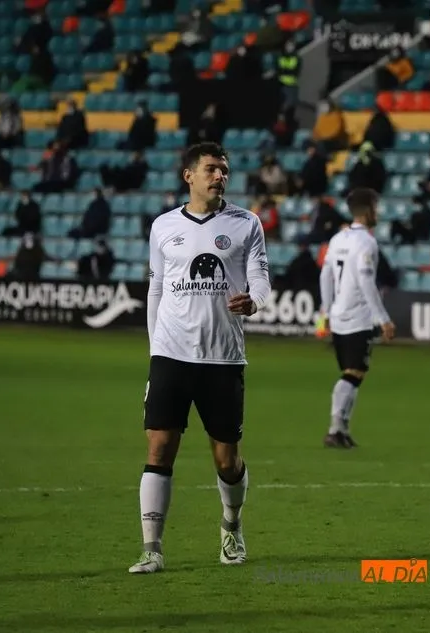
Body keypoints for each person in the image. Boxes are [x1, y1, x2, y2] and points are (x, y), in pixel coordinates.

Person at [129, 142, 271, 574]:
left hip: (223, 358)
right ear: (188, 175)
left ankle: (232, 525)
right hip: (171, 355)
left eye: (224, 170)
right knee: (159, 448)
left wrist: (255, 302)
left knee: (227, 459)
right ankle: (151, 548)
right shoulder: (163, 226)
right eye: (211, 169)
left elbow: (261, 279)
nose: (220, 176)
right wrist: (155, 353)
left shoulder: (246, 223)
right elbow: (156, 289)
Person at [317, 188, 396, 449]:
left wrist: (326, 311)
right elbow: (365, 280)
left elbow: (325, 275)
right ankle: (334, 429)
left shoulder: (338, 238)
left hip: (339, 314)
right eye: (377, 208)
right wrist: (383, 318)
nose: (379, 213)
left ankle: (341, 430)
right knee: (353, 374)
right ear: (369, 210)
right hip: (358, 317)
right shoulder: (366, 243)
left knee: (353, 374)